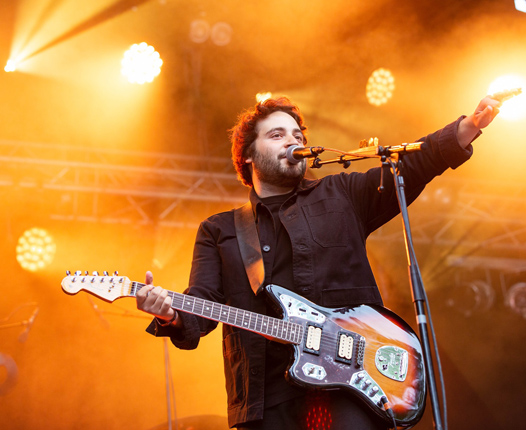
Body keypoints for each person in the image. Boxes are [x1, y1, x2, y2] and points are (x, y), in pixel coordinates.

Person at [136, 95, 500, 429]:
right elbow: (202, 304)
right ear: (247, 155)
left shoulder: (342, 194)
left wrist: (468, 127)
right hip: (266, 400)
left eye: (297, 135)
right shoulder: (220, 230)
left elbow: (413, 165)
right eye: (277, 135)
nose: (292, 141)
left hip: (349, 388)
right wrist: (169, 314)